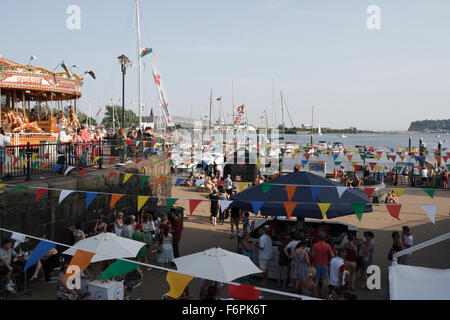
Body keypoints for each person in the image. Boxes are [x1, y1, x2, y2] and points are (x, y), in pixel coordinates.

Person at [311, 231, 334, 298]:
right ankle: (324, 294)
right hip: (325, 264)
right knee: (324, 280)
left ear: (318, 237)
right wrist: (329, 261)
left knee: (316, 279)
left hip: (316, 263)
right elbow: (332, 255)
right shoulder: (327, 246)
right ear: (325, 238)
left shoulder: (315, 245)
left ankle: (315, 294)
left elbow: (313, 255)